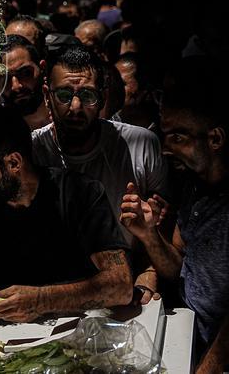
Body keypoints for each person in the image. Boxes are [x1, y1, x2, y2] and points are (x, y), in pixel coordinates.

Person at [0, 106, 132, 368]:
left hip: (83, 342)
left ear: (14, 163)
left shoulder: (79, 194)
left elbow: (120, 285)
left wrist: (40, 301)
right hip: (2, 351)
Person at [120, 57, 229, 373]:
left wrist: (207, 367)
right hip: (191, 333)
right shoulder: (194, 184)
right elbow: (179, 268)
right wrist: (149, 235)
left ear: (215, 139)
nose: (166, 148)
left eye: (178, 137)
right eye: (165, 134)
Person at [32, 45, 169, 303]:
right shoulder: (32, 152)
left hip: (126, 295)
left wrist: (148, 275)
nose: (75, 106)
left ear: (104, 98)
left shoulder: (142, 145)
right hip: (54, 295)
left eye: (87, 95)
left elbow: (163, 236)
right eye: (64, 94)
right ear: (47, 96)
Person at [1, 35, 50, 131]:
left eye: (25, 73)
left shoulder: (69, 118)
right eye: (5, 79)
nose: (15, 86)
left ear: (42, 68)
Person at [115, 52, 159, 130]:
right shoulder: (107, 126)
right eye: (114, 82)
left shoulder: (163, 130)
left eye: (122, 83)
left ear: (145, 87)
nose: (114, 88)